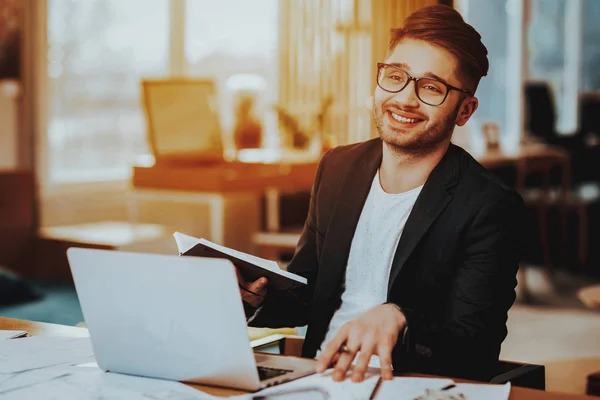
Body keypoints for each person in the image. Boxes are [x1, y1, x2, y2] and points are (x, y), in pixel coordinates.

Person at [237, 4, 525, 384]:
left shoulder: (489, 206)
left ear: (465, 110)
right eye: (396, 76)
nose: (406, 99)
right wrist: (257, 295)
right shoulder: (337, 168)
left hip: (407, 387)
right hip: (316, 382)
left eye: (432, 88)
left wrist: (401, 319)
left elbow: (475, 348)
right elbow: (309, 295)